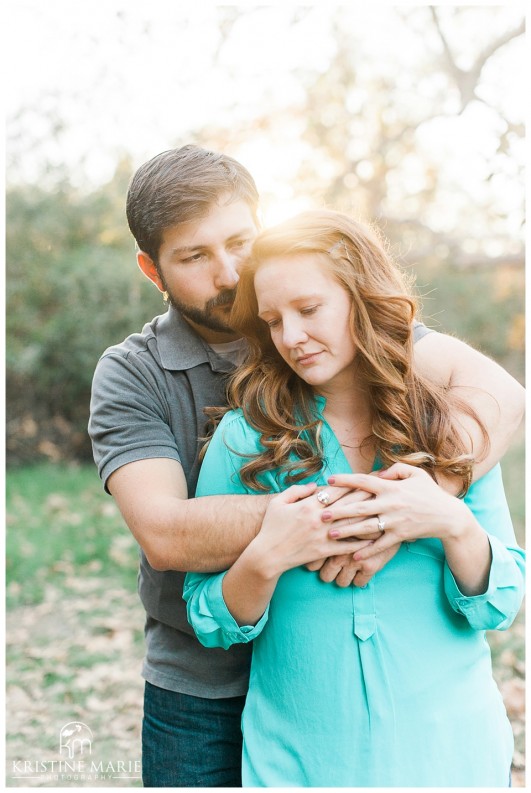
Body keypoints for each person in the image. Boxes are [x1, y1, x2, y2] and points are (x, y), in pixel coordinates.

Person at [88, 146, 525, 788]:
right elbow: (166, 534)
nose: (231, 272)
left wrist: (428, 504)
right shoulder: (137, 375)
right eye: (194, 257)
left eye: (241, 241)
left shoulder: (349, 324)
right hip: (205, 689)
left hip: (417, 720)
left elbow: (503, 399)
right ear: (152, 269)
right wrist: (358, 512)